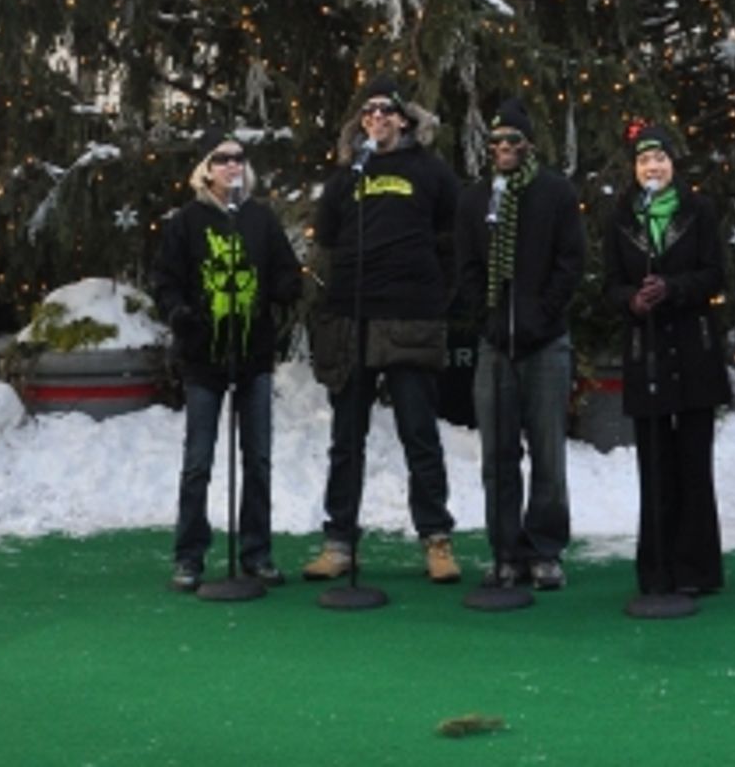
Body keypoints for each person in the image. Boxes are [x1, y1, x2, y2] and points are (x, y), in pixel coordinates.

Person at [304, 75, 462, 584]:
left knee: (419, 431)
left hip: (409, 317)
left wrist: (437, 292)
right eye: (369, 113)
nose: (377, 119)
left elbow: (452, 234)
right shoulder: (348, 175)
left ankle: (436, 539)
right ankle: (339, 542)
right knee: (346, 439)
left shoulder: (430, 172)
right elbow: (326, 233)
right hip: (352, 317)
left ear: (404, 119)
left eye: (386, 111)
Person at [154, 127, 302, 592]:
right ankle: (189, 554)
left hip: (253, 353)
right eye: (222, 159)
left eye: (239, 158)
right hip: (204, 356)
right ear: (206, 169)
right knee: (199, 460)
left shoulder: (259, 219)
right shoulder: (186, 222)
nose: (232, 166)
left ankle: (256, 551)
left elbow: (285, 268)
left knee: (257, 457)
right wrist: (179, 313)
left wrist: (284, 291)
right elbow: (166, 278)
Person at [454, 94, 586, 591]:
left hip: (545, 341)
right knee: (498, 456)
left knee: (548, 453)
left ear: (527, 145)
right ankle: (505, 550)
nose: (502, 147)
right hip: (495, 343)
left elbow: (571, 261)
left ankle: (546, 548)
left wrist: (542, 313)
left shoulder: (554, 193)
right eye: (495, 141)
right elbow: (465, 266)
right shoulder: (475, 198)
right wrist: (484, 317)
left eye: (511, 140)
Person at [603, 120, 729, 598]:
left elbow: (714, 274)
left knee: (693, 462)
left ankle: (697, 569)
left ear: (673, 165)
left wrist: (674, 288)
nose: (651, 167)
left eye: (659, 159)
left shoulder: (698, 211)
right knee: (654, 463)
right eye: (643, 160)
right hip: (647, 351)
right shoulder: (620, 217)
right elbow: (610, 283)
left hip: (692, 347)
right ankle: (656, 570)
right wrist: (631, 300)